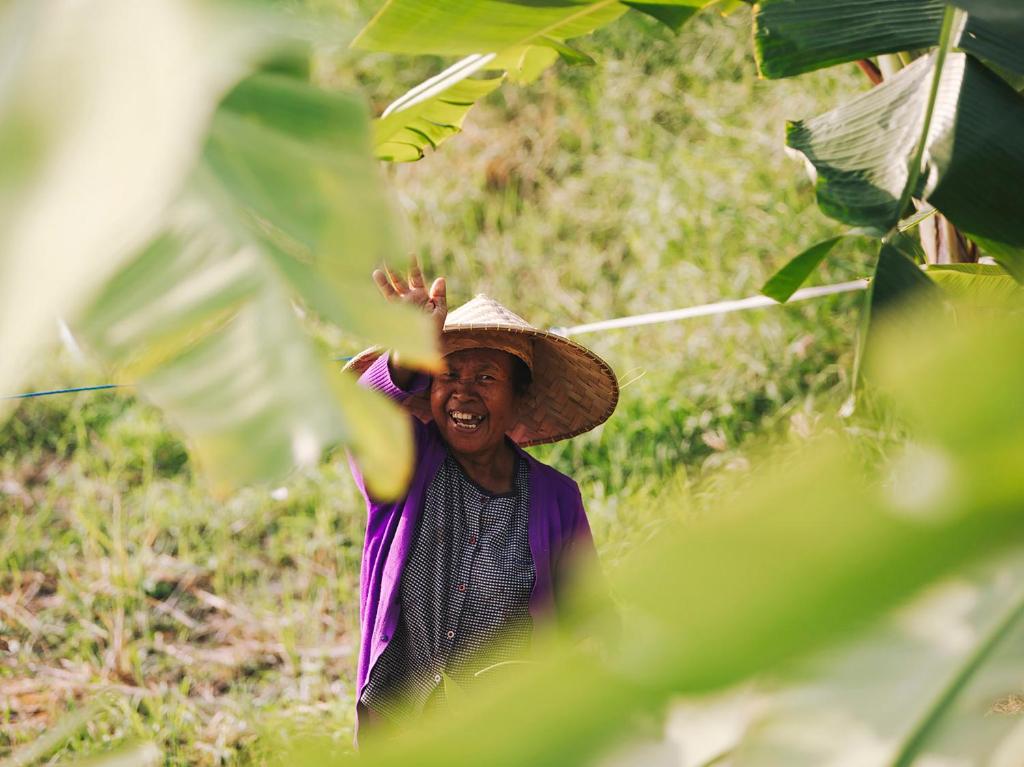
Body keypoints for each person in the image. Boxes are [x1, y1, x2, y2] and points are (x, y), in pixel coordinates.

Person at [346, 257, 618, 735]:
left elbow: (589, 614)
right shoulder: (411, 464)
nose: (462, 395)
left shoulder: (556, 498)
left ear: (519, 398)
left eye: (486, 379)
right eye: (448, 376)